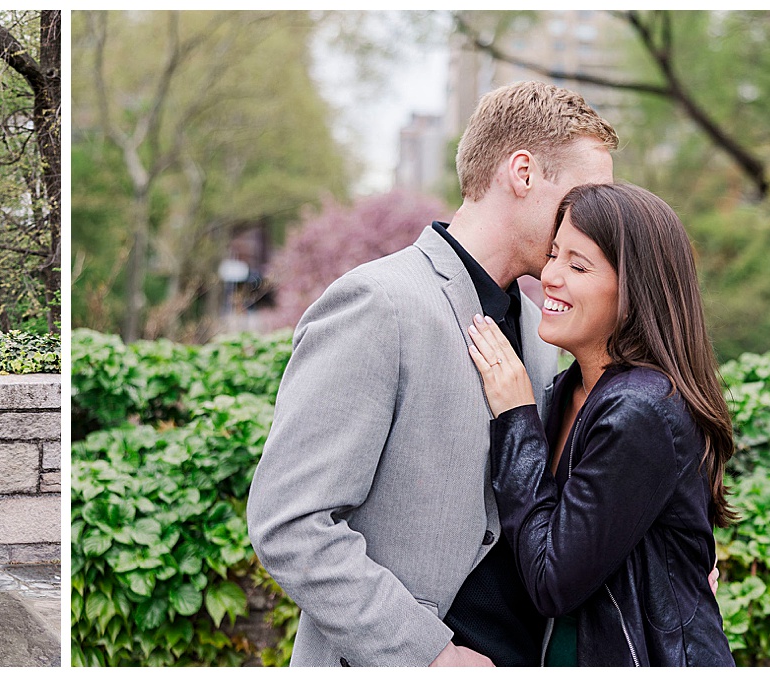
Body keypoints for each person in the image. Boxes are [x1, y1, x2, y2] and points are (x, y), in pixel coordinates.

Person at [246, 81, 618, 667]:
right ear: (522, 172)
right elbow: (290, 524)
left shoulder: (542, 332)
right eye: (585, 195)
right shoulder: (377, 303)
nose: (598, 219)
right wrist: (430, 654)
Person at [464, 183, 735, 666]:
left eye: (578, 265)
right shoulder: (570, 390)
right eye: (553, 255)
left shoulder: (641, 409)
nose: (549, 276)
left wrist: (515, 417)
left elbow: (551, 581)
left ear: (635, 289)